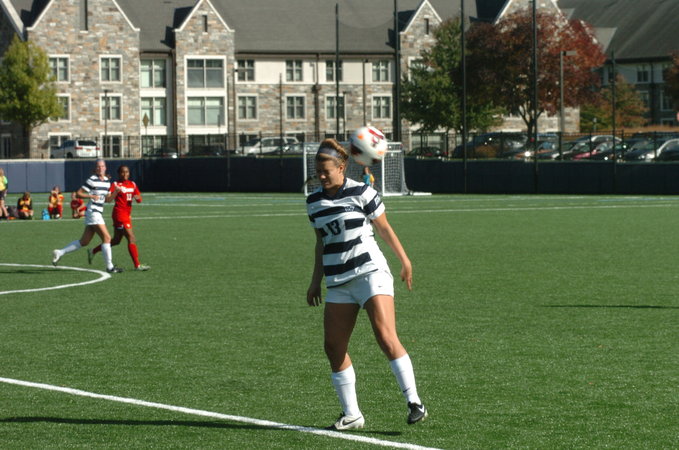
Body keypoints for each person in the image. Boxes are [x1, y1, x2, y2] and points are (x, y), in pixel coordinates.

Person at [306, 139, 427, 430]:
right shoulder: (313, 202)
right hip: (338, 281)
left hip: (370, 272)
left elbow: (384, 228)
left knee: (385, 336)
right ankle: (352, 414)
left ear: (341, 167)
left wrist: (405, 260)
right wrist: (315, 281)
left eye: (326, 171)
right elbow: (321, 243)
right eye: (318, 171)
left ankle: (414, 402)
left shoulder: (362, 192)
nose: (321, 176)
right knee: (333, 347)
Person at [52, 159, 123, 273]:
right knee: (107, 238)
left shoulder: (107, 182)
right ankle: (109, 267)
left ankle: (60, 252)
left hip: (97, 212)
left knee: (84, 241)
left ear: (105, 167)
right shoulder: (92, 180)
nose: (100, 168)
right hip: (93, 211)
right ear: (95, 168)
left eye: (102, 166)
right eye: (98, 166)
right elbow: (78, 193)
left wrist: (116, 192)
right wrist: (91, 196)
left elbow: (108, 200)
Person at [88, 165, 150, 271]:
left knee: (116, 240)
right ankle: (137, 265)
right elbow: (108, 199)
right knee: (131, 237)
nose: (125, 174)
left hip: (127, 215)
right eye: (122, 172)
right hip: (119, 214)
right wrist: (115, 191)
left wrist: (137, 197)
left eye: (127, 172)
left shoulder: (132, 184)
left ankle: (93, 251)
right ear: (119, 173)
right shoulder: (115, 184)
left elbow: (139, 199)